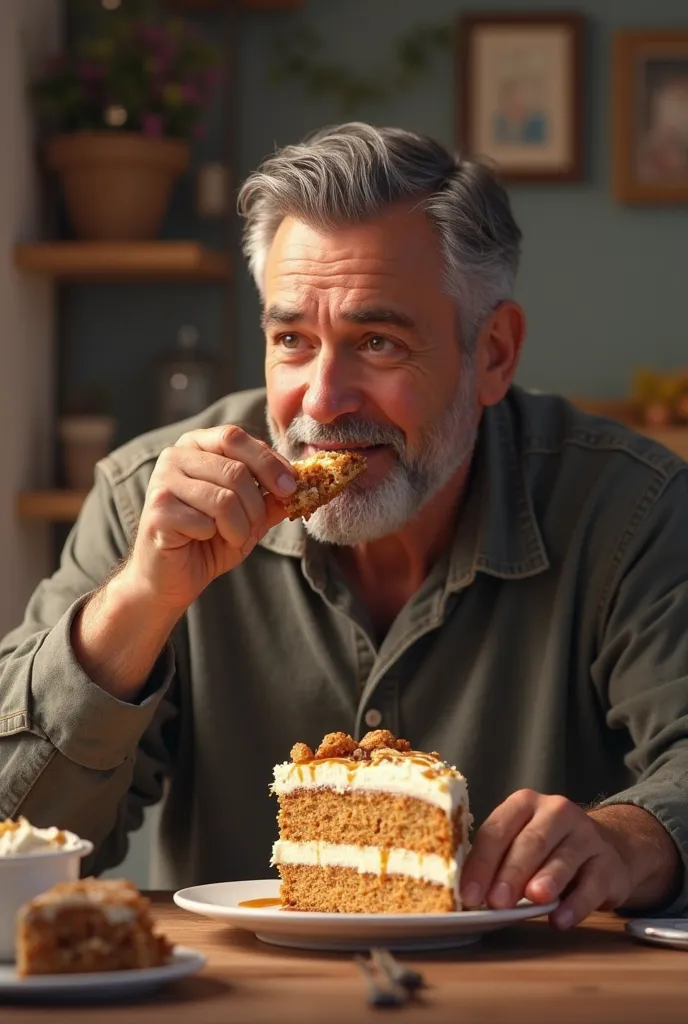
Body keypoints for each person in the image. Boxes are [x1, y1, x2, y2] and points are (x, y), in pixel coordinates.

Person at [1, 123, 686, 930]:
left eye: (377, 341)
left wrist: (632, 840)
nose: (323, 402)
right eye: (292, 339)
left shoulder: (631, 508)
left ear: (493, 353)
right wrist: (139, 605)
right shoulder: (146, 503)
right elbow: (20, 846)